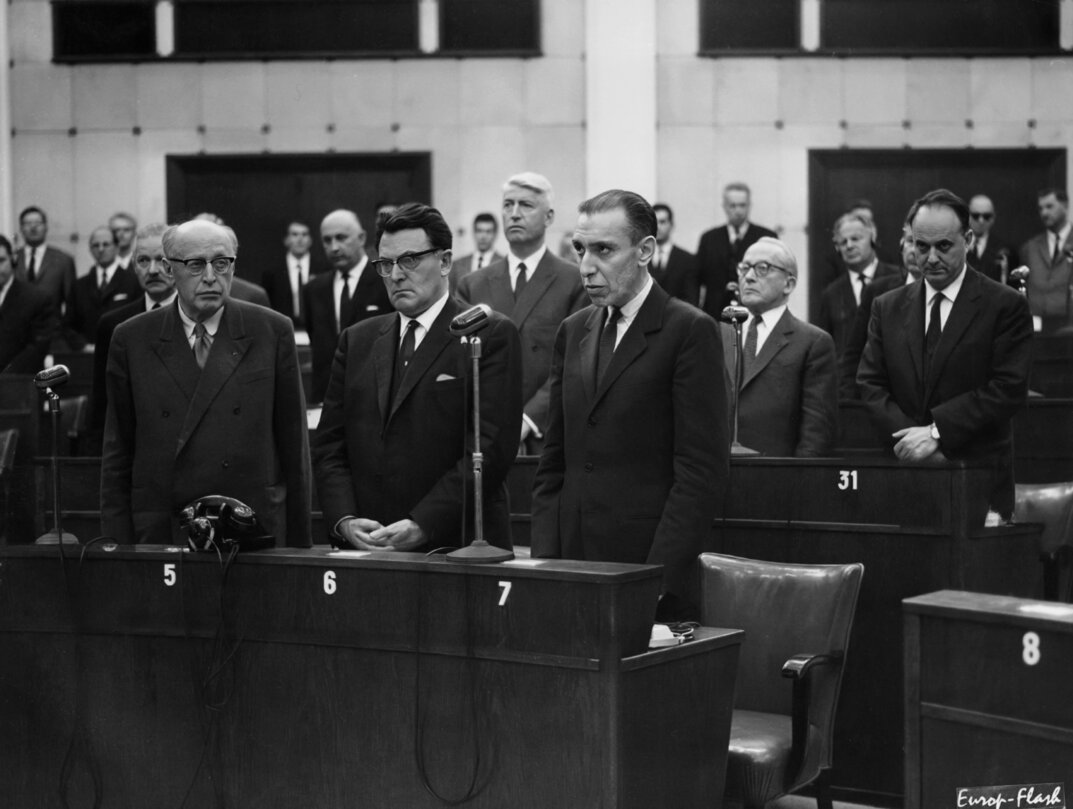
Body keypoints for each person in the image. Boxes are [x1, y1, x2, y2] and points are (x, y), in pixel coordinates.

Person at [530, 190, 728, 620]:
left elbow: (699, 475)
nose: (586, 267)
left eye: (604, 250)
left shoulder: (689, 330)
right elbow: (554, 461)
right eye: (580, 249)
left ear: (646, 251)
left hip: (644, 573)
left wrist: (654, 581)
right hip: (569, 569)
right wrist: (543, 561)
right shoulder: (573, 329)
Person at [313, 203, 522, 551]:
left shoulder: (487, 333)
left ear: (444, 261)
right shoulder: (357, 340)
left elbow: (490, 450)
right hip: (369, 545)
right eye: (385, 264)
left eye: (409, 260)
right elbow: (330, 447)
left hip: (457, 544)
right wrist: (345, 520)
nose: (395, 275)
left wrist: (423, 523)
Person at [101, 218, 311, 547]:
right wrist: (116, 543)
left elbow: (294, 446)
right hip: (164, 526)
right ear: (171, 270)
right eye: (196, 265)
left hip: (251, 525)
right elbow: (118, 453)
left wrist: (299, 544)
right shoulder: (132, 338)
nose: (211, 277)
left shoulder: (270, 330)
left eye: (222, 263)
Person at [858, 188, 1033, 519]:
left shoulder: (1005, 305)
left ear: (967, 239)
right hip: (903, 476)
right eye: (921, 246)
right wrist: (914, 444)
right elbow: (870, 384)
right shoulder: (888, 306)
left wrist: (936, 432)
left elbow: (1008, 389)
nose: (931, 257)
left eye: (944, 246)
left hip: (976, 479)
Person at [456, 172, 586, 454]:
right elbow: (459, 365)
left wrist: (528, 419)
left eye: (525, 205)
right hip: (484, 435)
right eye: (507, 205)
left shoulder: (574, 282)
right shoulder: (472, 284)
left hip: (548, 434)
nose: (514, 214)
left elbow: (576, 364)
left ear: (549, 217)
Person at [724, 237, 837, 457]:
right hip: (715, 477)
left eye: (762, 269)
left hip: (777, 478)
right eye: (744, 268)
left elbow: (816, 435)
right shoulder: (719, 333)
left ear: (789, 284)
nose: (748, 277)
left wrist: (795, 484)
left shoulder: (813, 342)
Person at [90, 223, 177, 436]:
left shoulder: (196, 318)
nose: (153, 270)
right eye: (144, 261)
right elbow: (102, 401)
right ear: (134, 266)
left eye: (162, 261)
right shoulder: (113, 324)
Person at [305, 209, 391, 403]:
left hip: (373, 396)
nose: (334, 247)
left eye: (341, 238)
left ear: (361, 238)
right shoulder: (313, 289)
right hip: (327, 397)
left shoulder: (384, 282)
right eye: (327, 240)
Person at [839, 224, 919, 399]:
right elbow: (854, 353)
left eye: (922, 244)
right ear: (901, 244)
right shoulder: (877, 290)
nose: (914, 251)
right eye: (910, 241)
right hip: (879, 408)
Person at [817, 212, 901, 362]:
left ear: (873, 238)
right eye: (843, 242)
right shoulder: (831, 294)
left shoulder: (899, 279)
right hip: (848, 381)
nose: (849, 246)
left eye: (855, 239)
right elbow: (825, 348)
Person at [695, 182, 776, 318]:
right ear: (724, 207)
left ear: (749, 205)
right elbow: (697, 279)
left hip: (755, 313)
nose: (738, 211)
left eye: (742, 205)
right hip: (715, 315)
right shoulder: (709, 239)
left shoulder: (766, 238)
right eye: (733, 205)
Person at [64, 225, 141, 348]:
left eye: (106, 244)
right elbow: (68, 326)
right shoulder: (79, 285)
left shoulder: (134, 281)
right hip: (88, 355)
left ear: (116, 248)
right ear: (90, 250)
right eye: (96, 245)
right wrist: (83, 345)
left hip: (123, 352)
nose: (100, 249)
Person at [0, 235, 57, 374]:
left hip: (18, 383)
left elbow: (38, 347)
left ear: (13, 259)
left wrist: (6, 376)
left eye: (1, 261)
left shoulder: (36, 298)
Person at [1018, 188, 1071, 333]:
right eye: (1041, 208)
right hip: (1038, 330)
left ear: (1065, 205)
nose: (1044, 213)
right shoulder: (1030, 248)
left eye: (1049, 206)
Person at [13, 206, 76, 315]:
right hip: (17, 326)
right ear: (21, 228)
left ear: (46, 227)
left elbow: (72, 303)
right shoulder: (12, 258)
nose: (33, 227)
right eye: (27, 223)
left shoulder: (63, 260)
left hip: (52, 326)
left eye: (38, 223)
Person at [262, 220, 320, 329]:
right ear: (286, 240)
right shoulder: (272, 272)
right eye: (295, 234)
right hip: (283, 329)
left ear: (310, 240)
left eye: (304, 234)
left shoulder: (323, 269)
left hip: (316, 328)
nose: (300, 239)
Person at [650, 203, 699, 306]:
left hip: (677, 318)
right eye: (654, 222)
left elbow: (691, 299)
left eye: (662, 222)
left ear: (671, 225)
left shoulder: (687, 260)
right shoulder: (640, 258)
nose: (658, 227)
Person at [448, 212, 502, 294]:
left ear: (495, 234)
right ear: (473, 232)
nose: (483, 236)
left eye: (488, 232)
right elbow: (450, 297)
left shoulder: (504, 265)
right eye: (479, 231)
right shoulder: (457, 265)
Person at [965, 195, 1013, 285]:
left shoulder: (1005, 249)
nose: (981, 221)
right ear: (968, 216)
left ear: (993, 218)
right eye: (976, 216)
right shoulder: (960, 245)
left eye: (986, 216)